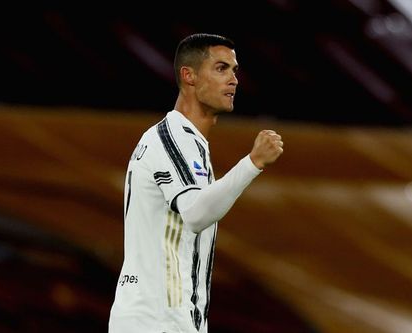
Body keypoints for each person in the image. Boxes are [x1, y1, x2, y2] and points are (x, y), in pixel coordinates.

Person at [108, 33, 284, 333]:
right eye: (220, 68)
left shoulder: (188, 142)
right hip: (157, 319)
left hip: (165, 318)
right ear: (188, 76)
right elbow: (195, 213)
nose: (233, 80)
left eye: (234, 70)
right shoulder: (171, 139)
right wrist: (252, 163)